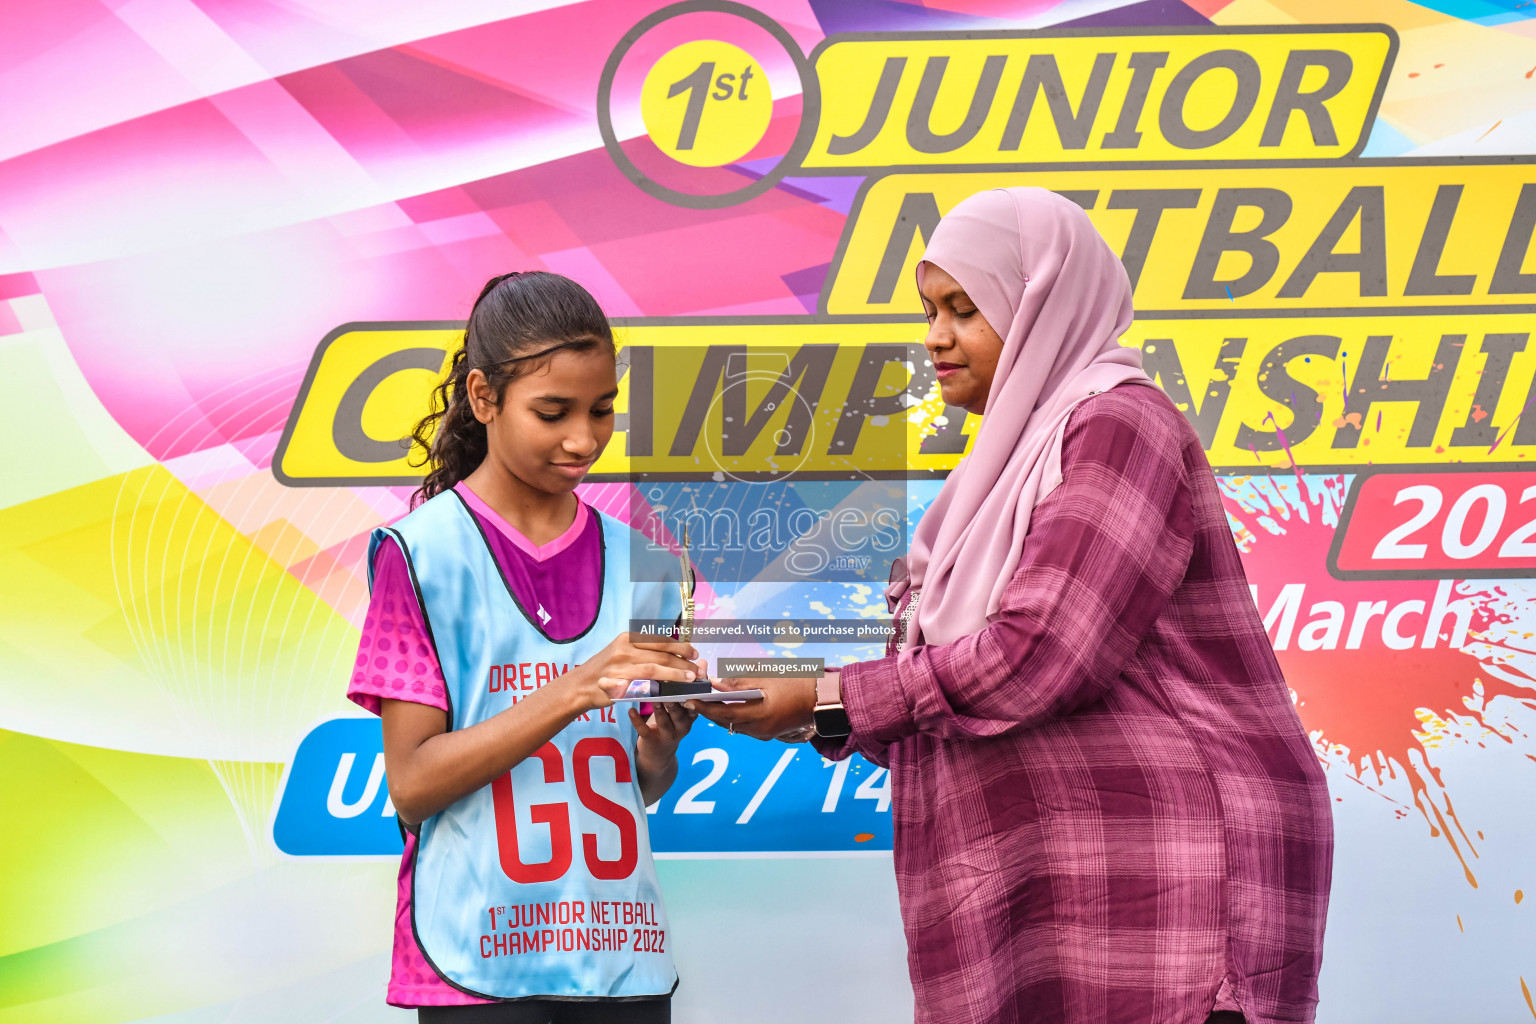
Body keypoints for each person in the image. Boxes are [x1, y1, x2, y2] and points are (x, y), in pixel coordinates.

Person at [693, 188, 1334, 1024]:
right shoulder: (993, 478)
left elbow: (1038, 658)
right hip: (1062, 886)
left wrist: (829, 695)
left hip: (1167, 887)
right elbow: (958, 709)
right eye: (930, 310)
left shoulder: (1118, 425)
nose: (935, 337)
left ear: (1040, 304)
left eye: (964, 309)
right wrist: (814, 712)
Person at [347, 271, 703, 1023]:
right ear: (483, 398)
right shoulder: (419, 556)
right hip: (474, 956)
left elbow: (628, 787)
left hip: (619, 956)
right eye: (553, 412)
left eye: (602, 410)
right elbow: (411, 782)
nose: (584, 438)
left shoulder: (647, 565)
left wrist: (658, 751)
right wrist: (577, 686)